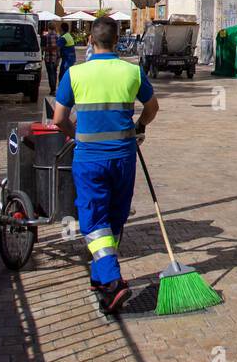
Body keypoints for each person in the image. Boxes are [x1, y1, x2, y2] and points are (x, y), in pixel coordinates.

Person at [52, 16, 158, 315]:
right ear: (118, 40)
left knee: (93, 220)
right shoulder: (132, 71)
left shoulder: (74, 74)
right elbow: (152, 108)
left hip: (89, 158)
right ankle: (100, 278)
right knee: (115, 215)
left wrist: (79, 136)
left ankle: (112, 280)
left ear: (90, 41)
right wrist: (139, 125)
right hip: (124, 156)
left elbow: (59, 119)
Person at [42, 22, 61, 95]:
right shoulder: (58, 36)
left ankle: (52, 89)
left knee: (50, 74)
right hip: (55, 58)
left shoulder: (45, 36)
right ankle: (54, 89)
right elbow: (59, 48)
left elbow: (43, 48)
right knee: (54, 73)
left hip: (48, 58)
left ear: (48, 28)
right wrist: (58, 58)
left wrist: (47, 49)